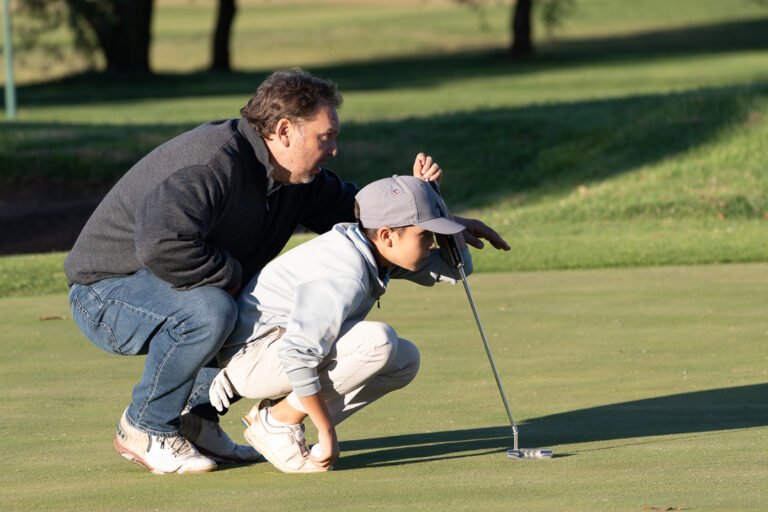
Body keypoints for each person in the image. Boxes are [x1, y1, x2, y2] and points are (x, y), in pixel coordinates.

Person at [65, 68, 509, 475]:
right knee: (213, 309)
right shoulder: (212, 162)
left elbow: (371, 222)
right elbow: (162, 245)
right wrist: (237, 280)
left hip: (175, 284)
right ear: (283, 131)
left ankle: (197, 421)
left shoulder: (298, 179)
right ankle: (145, 426)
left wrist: (435, 217)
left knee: (232, 305)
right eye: (325, 137)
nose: (334, 149)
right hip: (105, 292)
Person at [207, 175, 472, 473]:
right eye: (425, 235)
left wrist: (436, 202)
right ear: (387, 236)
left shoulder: (374, 249)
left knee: (405, 360)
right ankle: (278, 422)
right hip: (254, 360)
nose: (433, 243)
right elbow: (297, 354)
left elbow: (456, 270)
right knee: (378, 341)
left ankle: (280, 416)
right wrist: (327, 432)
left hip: (276, 351)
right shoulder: (346, 270)